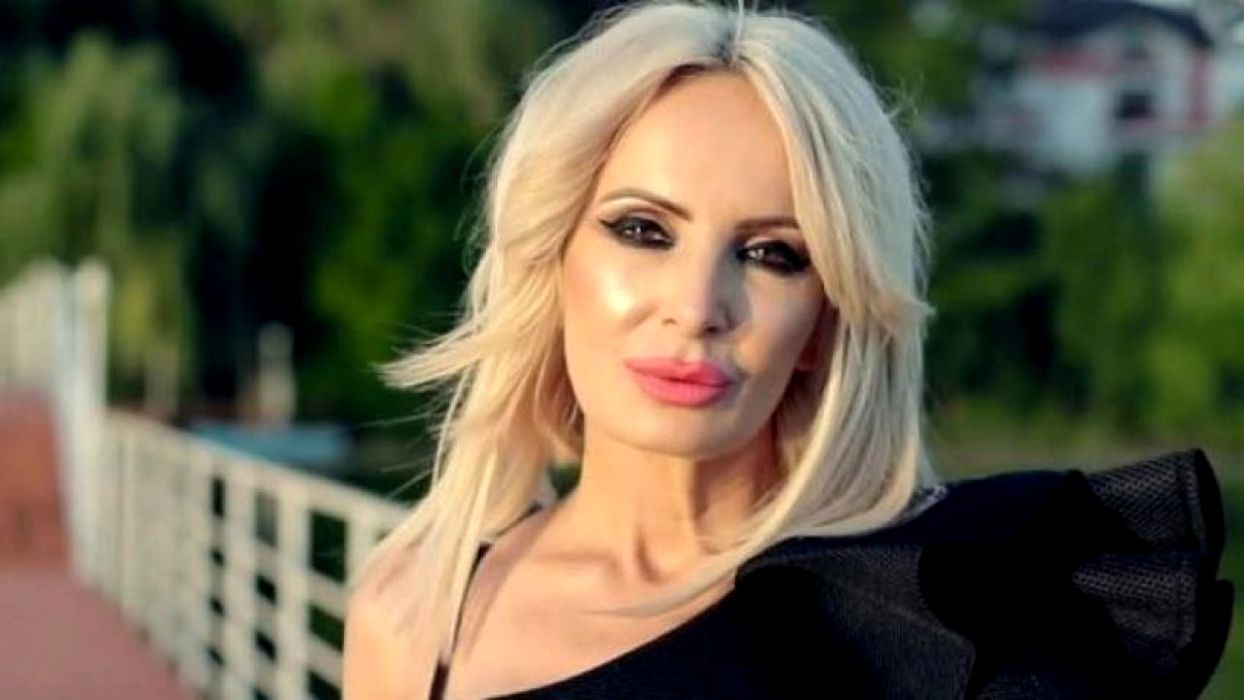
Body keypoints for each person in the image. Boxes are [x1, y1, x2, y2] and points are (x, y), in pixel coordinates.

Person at [342, 2, 1233, 698]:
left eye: (773, 254)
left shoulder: (943, 617)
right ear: (553, 259)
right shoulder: (415, 614)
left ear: (826, 319)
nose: (698, 308)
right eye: (643, 230)